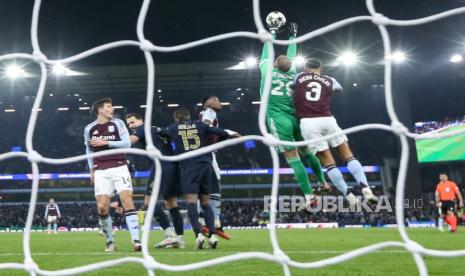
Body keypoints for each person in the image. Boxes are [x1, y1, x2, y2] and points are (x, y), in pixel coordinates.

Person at [259, 19, 328, 210]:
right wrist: (293, 36)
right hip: (297, 117)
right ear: (289, 67)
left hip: (278, 118)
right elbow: (292, 55)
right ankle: (323, 181)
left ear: (274, 65)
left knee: (292, 157)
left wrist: (272, 32)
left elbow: (267, 52)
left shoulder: (267, 73)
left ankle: (308, 195)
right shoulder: (293, 74)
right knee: (307, 151)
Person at [293, 58, 378, 207]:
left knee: (328, 163)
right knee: (348, 156)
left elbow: (290, 87)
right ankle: (366, 188)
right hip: (328, 119)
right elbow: (339, 90)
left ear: (306, 68)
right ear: (321, 68)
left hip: (308, 123)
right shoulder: (329, 79)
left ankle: (349, 195)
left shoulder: (299, 77)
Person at [159, 108, 239, 249]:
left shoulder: (173, 127)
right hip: (206, 165)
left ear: (176, 119)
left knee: (191, 202)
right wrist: (231, 134)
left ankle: (198, 235)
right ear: (189, 117)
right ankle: (213, 236)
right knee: (206, 202)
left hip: (189, 166)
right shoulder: (200, 125)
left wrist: (157, 130)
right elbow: (221, 133)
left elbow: (162, 134)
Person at [84, 98, 141, 252]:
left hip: (119, 166)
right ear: (100, 110)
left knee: (127, 200)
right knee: (102, 207)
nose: (112, 109)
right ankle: (110, 241)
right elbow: (89, 150)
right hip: (100, 170)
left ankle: (136, 240)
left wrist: (106, 143)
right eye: (109, 107)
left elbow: (127, 143)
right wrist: (91, 170)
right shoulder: (89, 128)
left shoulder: (118, 123)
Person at [126, 113, 184, 248]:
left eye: (132, 122)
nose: (130, 126)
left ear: (141, 120)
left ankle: (170, 235)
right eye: (128, 124)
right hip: (173, 164)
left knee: (148, 202)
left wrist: (109, 142)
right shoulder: (157, 129)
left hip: (160, 166)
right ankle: (179, 239)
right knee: (171, 203)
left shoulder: (142, 129)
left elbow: (129, 141)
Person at [198, 95, 234, 239]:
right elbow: (205, 128)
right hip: (207, 153)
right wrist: (228, 133)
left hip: (205, 153)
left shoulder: (206, 113)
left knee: (205, 187)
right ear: (208, 103)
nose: (220, 103)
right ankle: (214, 223)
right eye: (217, 100)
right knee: (214, 186)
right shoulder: (209, 112)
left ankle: (205, 221)